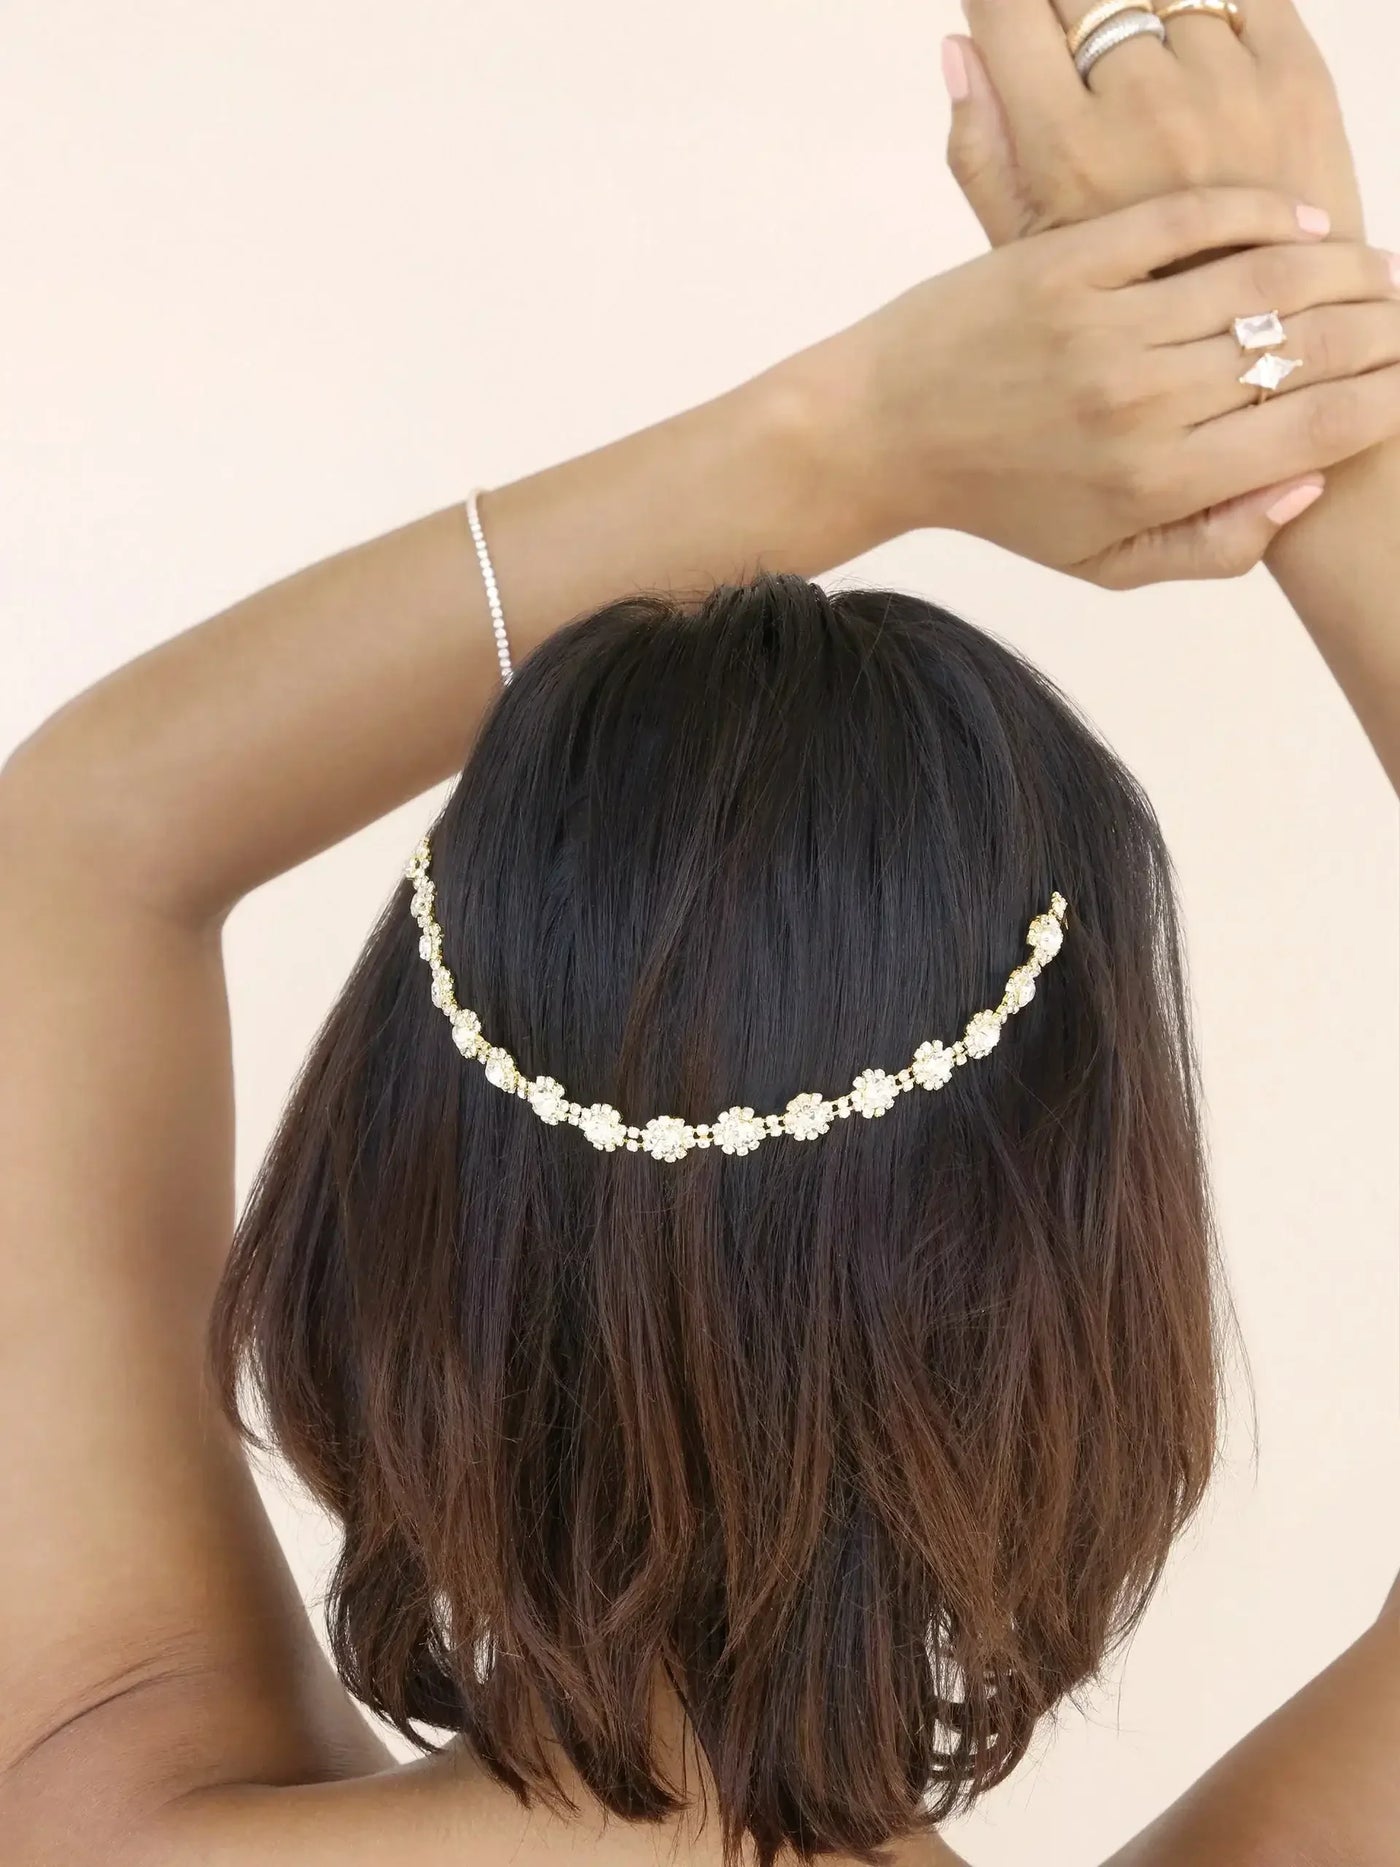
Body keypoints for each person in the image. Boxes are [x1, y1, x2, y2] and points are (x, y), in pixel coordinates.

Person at [0, 6, 1395, 1867]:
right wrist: (1301, 375)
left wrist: (862, 432)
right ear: (1078, 1310)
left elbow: (88, 842)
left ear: (394, 1205)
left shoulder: (90, 1809)